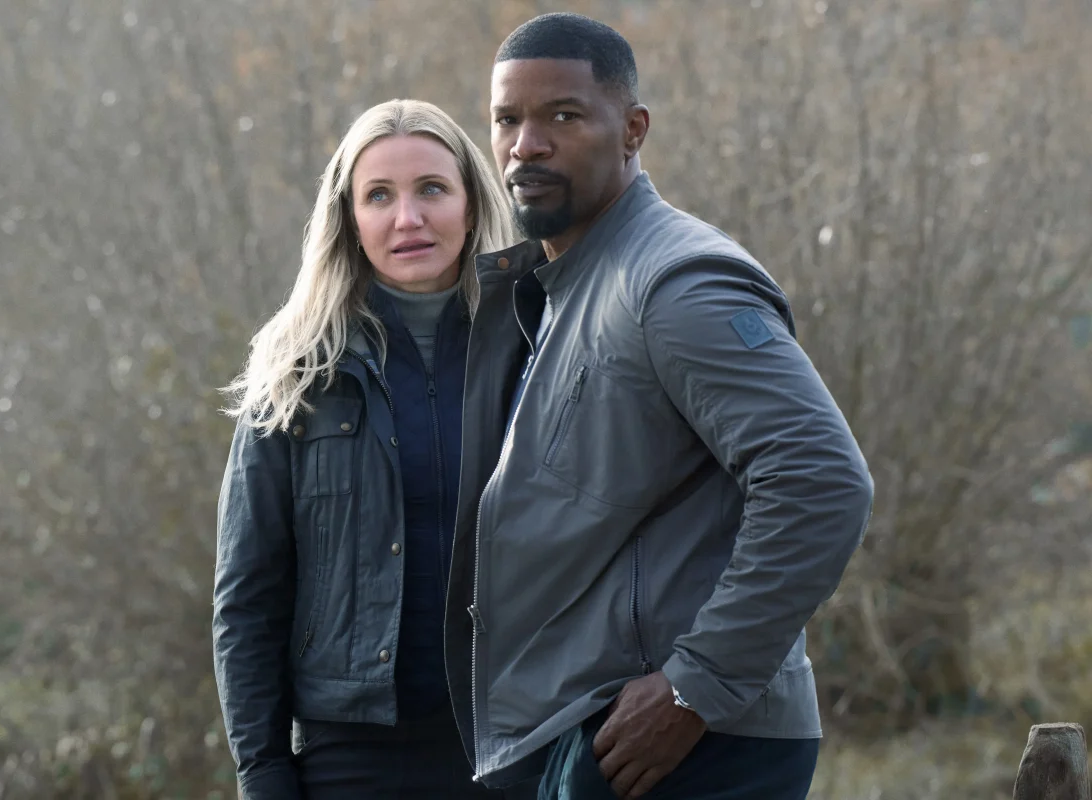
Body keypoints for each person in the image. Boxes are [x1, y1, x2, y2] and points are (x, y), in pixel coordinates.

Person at [442, 13, 875, 800]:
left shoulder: (677, 285)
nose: (525, 145)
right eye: (507, 120)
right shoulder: (560, 287)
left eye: (562, 117)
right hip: (601, 729)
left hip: (685, 743)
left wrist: (695, 686)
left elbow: (821, 480)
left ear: (633, 130)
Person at [212, 99, 530, 799]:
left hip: (521, 742)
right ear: (350, 219)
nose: (407, 218)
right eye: (379, 196)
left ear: (472, 204)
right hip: (350, 757)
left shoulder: (537, 345)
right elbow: (249, 596)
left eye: (432, 189)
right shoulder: (297, 370)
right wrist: (262, 771)